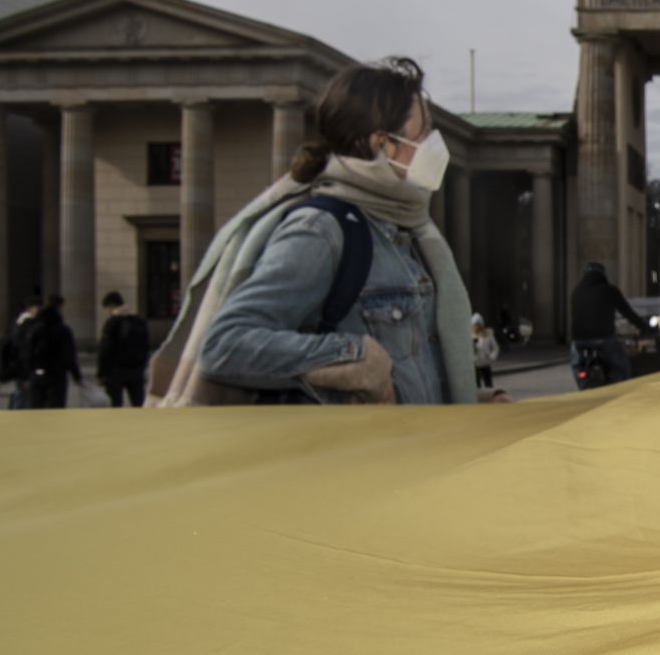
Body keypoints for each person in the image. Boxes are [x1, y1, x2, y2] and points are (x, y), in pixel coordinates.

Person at [160, 58, 483, 406]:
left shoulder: (407, 226)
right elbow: (224, 344)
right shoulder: (322, 231)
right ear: (381, 143)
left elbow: (410, 362)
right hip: (365, 457)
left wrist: (470, 398)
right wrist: (351, 356)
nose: (435, 143)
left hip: (415, 451)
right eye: (424, 132)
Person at [569, 262, 645, 387]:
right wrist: (644, 328)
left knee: (577, 365)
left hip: (579, 339)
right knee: (622, 367)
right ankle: (621, 391)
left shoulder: (576, 292)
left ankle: (582, 383)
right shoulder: (610, 290)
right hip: (604, 337)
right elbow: (628, 313)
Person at [25, 294, 81, 409]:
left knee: (36, 409)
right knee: (55, 409)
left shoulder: (34, 330)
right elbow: (69, 355)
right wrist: (76, 376)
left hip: (37, 374)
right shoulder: (63, 330)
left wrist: (26, 374)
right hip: (57, 375)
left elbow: (26, 353)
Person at [96, 291, 150, 408]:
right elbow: (146, 346)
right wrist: (142, 367)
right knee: (138, 404)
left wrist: (101, 373)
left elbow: (105, 349)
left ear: (111, 305)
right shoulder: (138, 320)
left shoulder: (112, 322)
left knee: (115, 405)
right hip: (136, 369)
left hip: (115, 371)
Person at [0, 294, 43, 409]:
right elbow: (23, 350)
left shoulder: (19, 321)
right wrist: (26, 375)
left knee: (23, 396)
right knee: (24, 397)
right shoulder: (25, 323)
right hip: (23, 368)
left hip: (21, 367)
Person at [471, 313, 500, 389]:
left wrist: (491, 356)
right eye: (475, 325)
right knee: (477, 386)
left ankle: (489, 399)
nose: (476, 327)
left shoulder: (488, 334)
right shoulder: (470, 336)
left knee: (489, 385)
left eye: (478, 324)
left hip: (485, 362)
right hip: (475, 363)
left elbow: (495, 348)